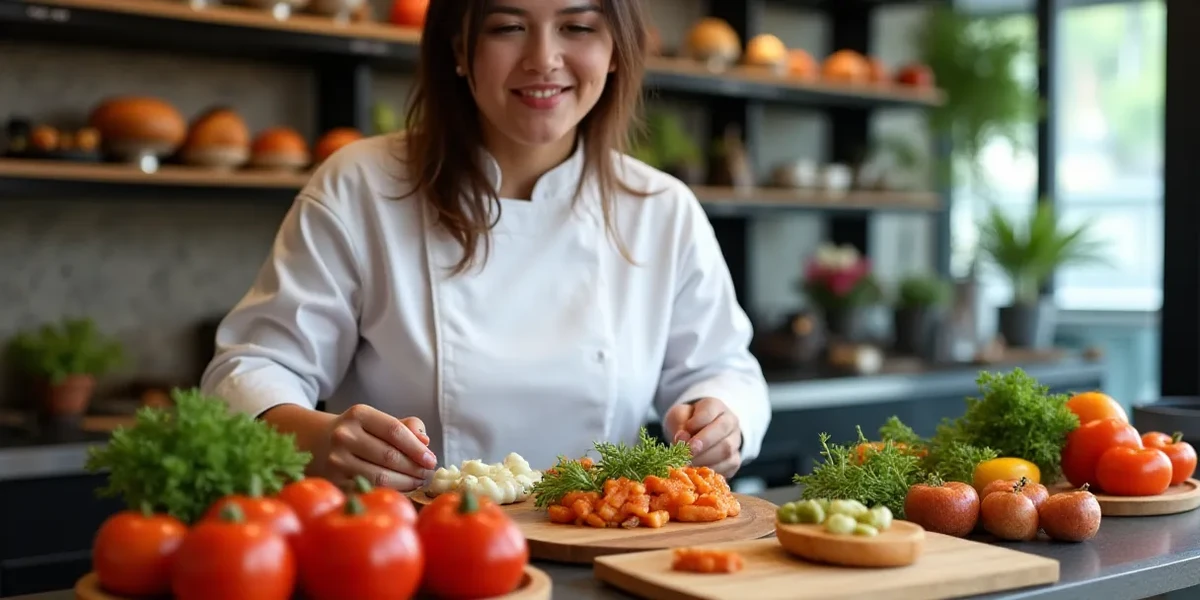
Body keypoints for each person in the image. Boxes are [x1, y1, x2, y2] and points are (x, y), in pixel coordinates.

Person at [200, 0, 771, 493]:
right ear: (459, 48)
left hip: (608, 540)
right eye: (507, 27)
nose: (543, 58)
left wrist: (724, 419)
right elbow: (252, 367)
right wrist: (320, 439)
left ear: (616, 50)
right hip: (407, 550)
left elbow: (725, 369)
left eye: (577, 28)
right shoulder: (360, 185)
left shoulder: (660, 208)